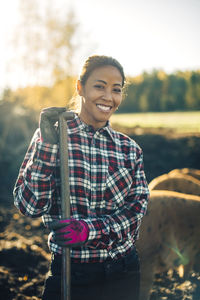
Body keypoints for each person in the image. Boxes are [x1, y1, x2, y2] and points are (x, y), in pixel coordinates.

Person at [13, 55, 149, 300]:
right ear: (80, 87)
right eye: (99, 86)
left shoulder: (129, 149)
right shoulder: (55, 136)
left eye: (116, 90)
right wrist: (47, 147)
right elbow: (30, 206)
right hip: (72, 274)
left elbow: (136, 211)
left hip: (123, 272)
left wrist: (91, 230)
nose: (108, 97)